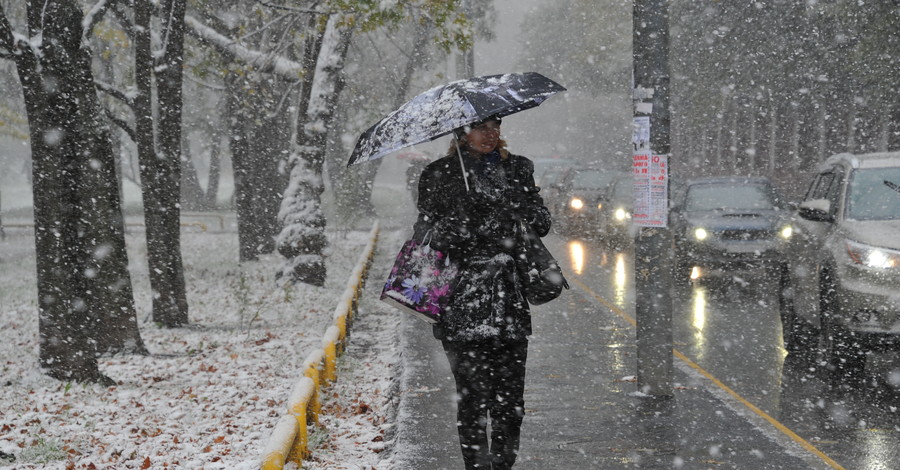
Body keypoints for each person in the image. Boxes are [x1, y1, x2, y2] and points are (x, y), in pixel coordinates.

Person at [413, 115, 551, 469]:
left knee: (509, 403)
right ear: (462, 132)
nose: (490, 134)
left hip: (509, 300)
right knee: (473, 401)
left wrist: (520, 208)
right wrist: (462, 220)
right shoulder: (439, 174)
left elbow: (542, 223)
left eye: (495, 126)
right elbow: (425, 240)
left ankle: (503, 465)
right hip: (461, 301)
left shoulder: (517, 169)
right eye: (480, 127)